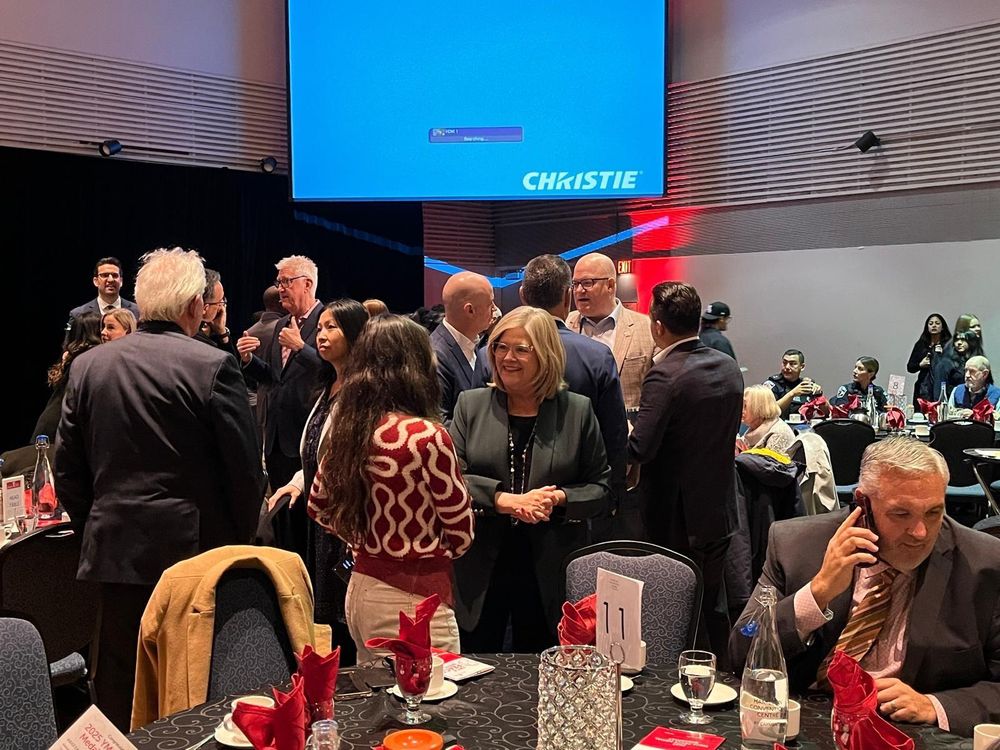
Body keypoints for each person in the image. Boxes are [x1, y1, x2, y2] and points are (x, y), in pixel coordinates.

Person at [54, 247, 264, 730]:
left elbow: (67, 469)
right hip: (194, 558)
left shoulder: (88, 367)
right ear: (195, 304)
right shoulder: (213, 365)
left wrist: (99, 522)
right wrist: (236, 544)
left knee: (117, 688)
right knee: (192, 692)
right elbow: (244, 473)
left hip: (114, 552)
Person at [729, 437, 1000, 737]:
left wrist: (934, 705)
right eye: (901, 514)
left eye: (934, 513)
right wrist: (818, 592)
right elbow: (742, 649)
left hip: (910, 737)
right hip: (807, 728)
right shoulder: (796, 545)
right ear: (863, 503)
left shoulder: (984, 563)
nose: (921, 533)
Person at [308, 315, 474, 662]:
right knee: (430, 707)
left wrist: (363, 539)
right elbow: (461, 533)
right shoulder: (426, 437)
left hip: (361, 587)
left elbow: (319, 507)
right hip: (415, 599)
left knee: (380, 707)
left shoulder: (348, 428)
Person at [450, 306, 610, 652]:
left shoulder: (577, 410)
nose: (507, 358)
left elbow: (601, 488)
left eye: (522, 349)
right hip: (481, 564)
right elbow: (451, 477)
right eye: (500, 347)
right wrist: (504, 500)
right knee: (478, 668)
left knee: (541, 665)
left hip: (549, 566)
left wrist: (558, 499)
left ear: (546, 354)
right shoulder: (470, 405)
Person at [627, 282, 744, 661]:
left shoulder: (666, 375)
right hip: (719, 509)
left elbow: (639, 448)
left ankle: (674, 686)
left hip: (675, 518)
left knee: (672, 612)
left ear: (657, 325)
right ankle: (721, 675)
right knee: (711, 607)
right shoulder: (728, 367)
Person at [267, 299, 369, 662]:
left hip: (348, 520)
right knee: (330, 616)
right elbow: (318, 449)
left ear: (356, 334)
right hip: (321, 517)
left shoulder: (364, 390)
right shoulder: (327, 384)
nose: (321, 336)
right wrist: (298, 481)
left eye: (332, 328)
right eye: (320, 328)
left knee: (349, 615)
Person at [517, 255, 628, 540]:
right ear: (568, 296)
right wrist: (610, 495)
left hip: (509, 506)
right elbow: (614, 434)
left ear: (521, 295)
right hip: (576, 505)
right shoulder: (596, 355)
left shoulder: (490, 354)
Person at [238, 255, 327, 557]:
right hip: (276, 439)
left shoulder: (328, 322)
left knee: (307, 526)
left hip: (309, 437)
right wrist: (249, 361)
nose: (281, 290)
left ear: (308, 283)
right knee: (282, 524)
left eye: (286, 282)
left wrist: (302, 348)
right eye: (279, 283)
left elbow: (333, 372)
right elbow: (275, 378)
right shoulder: (279, 326)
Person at [565, 252, 657, 412]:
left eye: (587, 282)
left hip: (625, 431)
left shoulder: (647, 327)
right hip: (576, 430)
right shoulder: (565, 325)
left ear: (610, 285)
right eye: (575, 283)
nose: (579, 290)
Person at [430, 271, 495, 421]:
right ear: (470, 310)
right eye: (490, 304)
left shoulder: (477, 344)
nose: (495, 310)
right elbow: (439, 422)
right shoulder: (436, 354)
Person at [32, 312, 103, 441]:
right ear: (94, 331)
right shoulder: (87, 357)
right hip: (57, 429)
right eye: (102, 327)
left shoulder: (72, 354)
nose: (104, 332)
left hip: (51, 423)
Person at [66, 256, 141, 328]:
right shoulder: (78, 314)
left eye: (115, 275)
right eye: (105, 275)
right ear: (96, 281)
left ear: (121, 281)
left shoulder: (138, 312)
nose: (110, 280)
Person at [763, 349, 823, 419]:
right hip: (778, 427)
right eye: (784, 363)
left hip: (804, 428)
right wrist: (793, 393)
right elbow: (769, 412)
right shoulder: (772, 384)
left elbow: (826, 413)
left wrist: (819, 395)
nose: (787, 367)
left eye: (792, 364)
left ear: (802, 367)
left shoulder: (806, 385)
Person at [739, 385, 797, 457]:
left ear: (759, 408)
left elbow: (766, 466)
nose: (740, 410)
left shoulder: (779, 433)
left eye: (745, 406)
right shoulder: (753, 428)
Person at [907, 313, 951, 406]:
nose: (934, 325)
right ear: (927, 327)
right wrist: (920, 365)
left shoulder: (948, 345)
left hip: (943, 386)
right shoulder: (921, 344)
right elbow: (910, 367)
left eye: (937, 323)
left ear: (943, 327)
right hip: (923, 387)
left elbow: (954, 366)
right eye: (931, 324)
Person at [194, 268, 237, 357]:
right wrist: (223, 334)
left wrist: (222, 332)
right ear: (205, 308)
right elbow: (229, 368)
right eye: (220, 301)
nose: (222, 307)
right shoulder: (209, 351)